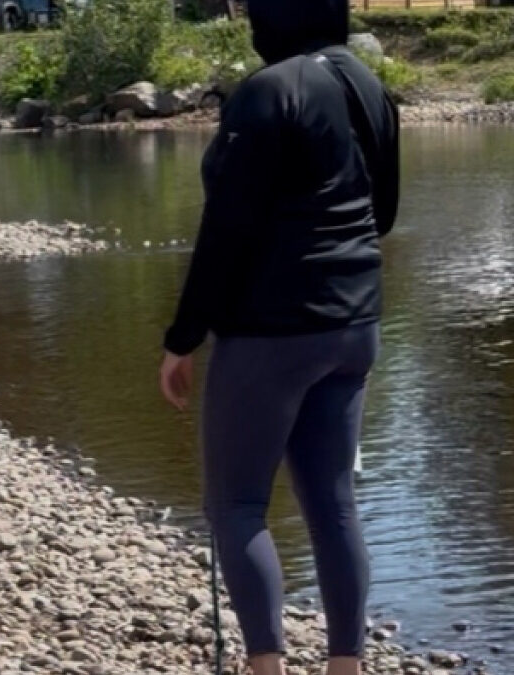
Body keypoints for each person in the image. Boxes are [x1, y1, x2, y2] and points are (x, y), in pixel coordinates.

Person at [158, 1, 400, 675]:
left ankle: (267, 667)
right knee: (333, 502)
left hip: (272, 331)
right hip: (356, 326)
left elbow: (226, 227)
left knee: (236, 504)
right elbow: (382, 212)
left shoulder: (270, 90)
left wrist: (184, 336)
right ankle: (345, 666)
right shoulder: (370, 86)